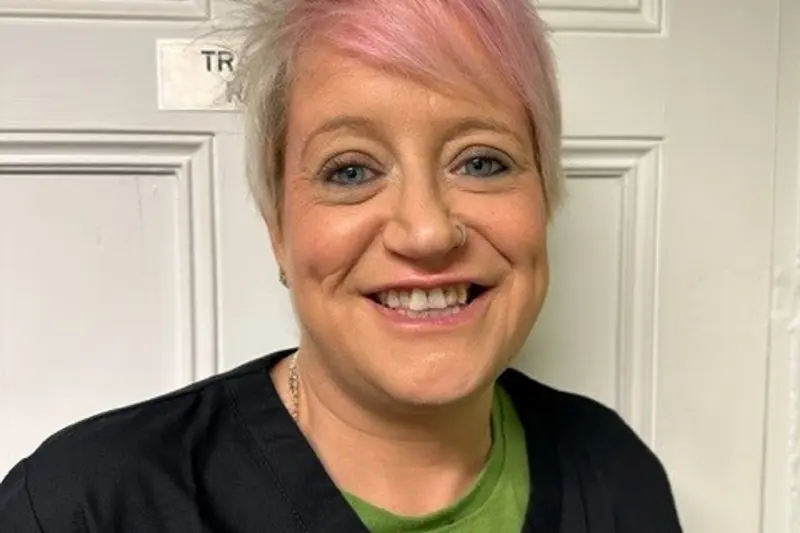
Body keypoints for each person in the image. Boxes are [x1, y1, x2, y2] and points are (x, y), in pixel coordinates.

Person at [0, 0, 684, 531]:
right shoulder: (83, 507)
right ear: (277, 227)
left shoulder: (617, 476)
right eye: (351, 170)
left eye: (482, 161)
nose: (427, 231)